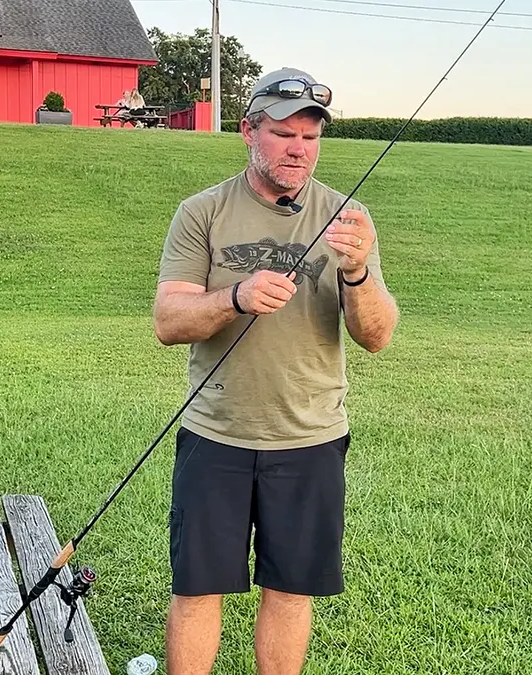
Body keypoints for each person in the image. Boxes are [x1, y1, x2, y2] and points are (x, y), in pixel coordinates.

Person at [151, 67, 400, 675]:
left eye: (310, 137)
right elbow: (168, 320)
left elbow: (377, 336)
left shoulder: (347, 217)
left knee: (290, 591)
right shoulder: (202, 213)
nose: (298, 148)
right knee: (196, 591)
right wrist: (234, 297)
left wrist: (359, 271)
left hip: (310, 437)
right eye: (283, 132)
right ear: (248, 132)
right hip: (217, 435)